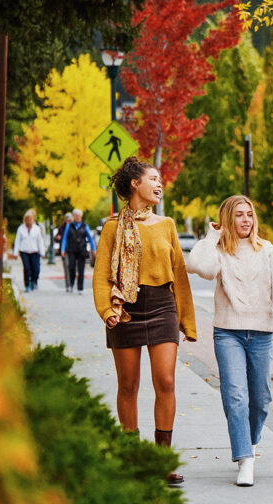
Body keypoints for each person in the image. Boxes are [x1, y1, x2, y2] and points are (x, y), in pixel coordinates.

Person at [92, 156, 197, 485]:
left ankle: (161, 459)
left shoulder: (166, 225)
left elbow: (179, 274)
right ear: (135, 184)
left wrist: (187, 321)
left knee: (165, 381)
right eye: (152, 179)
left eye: (159, 179)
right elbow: (99, 278)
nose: (158, 184)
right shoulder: (112, 227)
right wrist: (107, 311)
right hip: (125, 308)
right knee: (128, 385)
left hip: (162, 305)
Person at [185, 195, 273, 487]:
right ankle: (245, 458)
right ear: (228, 219)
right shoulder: (219, 251)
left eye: (249, 214)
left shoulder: (266, 251)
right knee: (236, 397)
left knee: (261, 400)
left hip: (261, 333)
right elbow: (199, 266)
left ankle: (246, 442)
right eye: (238, 215)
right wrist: (212, 236)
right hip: (228, 332)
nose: (246, 220)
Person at [61, 208, 97, 295]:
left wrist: (93, 249)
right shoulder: (69, 226)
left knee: (81, 270)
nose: (78, 217)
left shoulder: (85, 226)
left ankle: (80, 288)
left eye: (79, 216)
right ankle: (71, 285)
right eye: (76, 216)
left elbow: (90, 239)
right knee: (71, 267)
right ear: (73, 216)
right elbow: (65, 238)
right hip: (71, 250)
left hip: (81, 250)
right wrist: (63, 249)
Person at [13, 209, 45, 292]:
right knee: (27, 268)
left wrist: (42, 252)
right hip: (24, 251)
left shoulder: (37, 229)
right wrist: (15, 253)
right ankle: (27, 285)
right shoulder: (21, 229)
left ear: (33, 220)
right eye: (27, 219)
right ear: (25, 220)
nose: (29, 221)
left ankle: (34, 281)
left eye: (30, 219)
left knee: (36, 269)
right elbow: (17, 241)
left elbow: (40, 241)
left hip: (35, 251)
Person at [55, 212, 72, 291]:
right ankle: (68, 285)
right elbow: (56, 238)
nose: (68, 222)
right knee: (66, 267)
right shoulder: (61, 228)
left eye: (70, 220)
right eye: (67, 220)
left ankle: (71, 283)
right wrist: (58, 237)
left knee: (72, 268)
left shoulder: (73, 227)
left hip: (73, 250)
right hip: (64, 250)